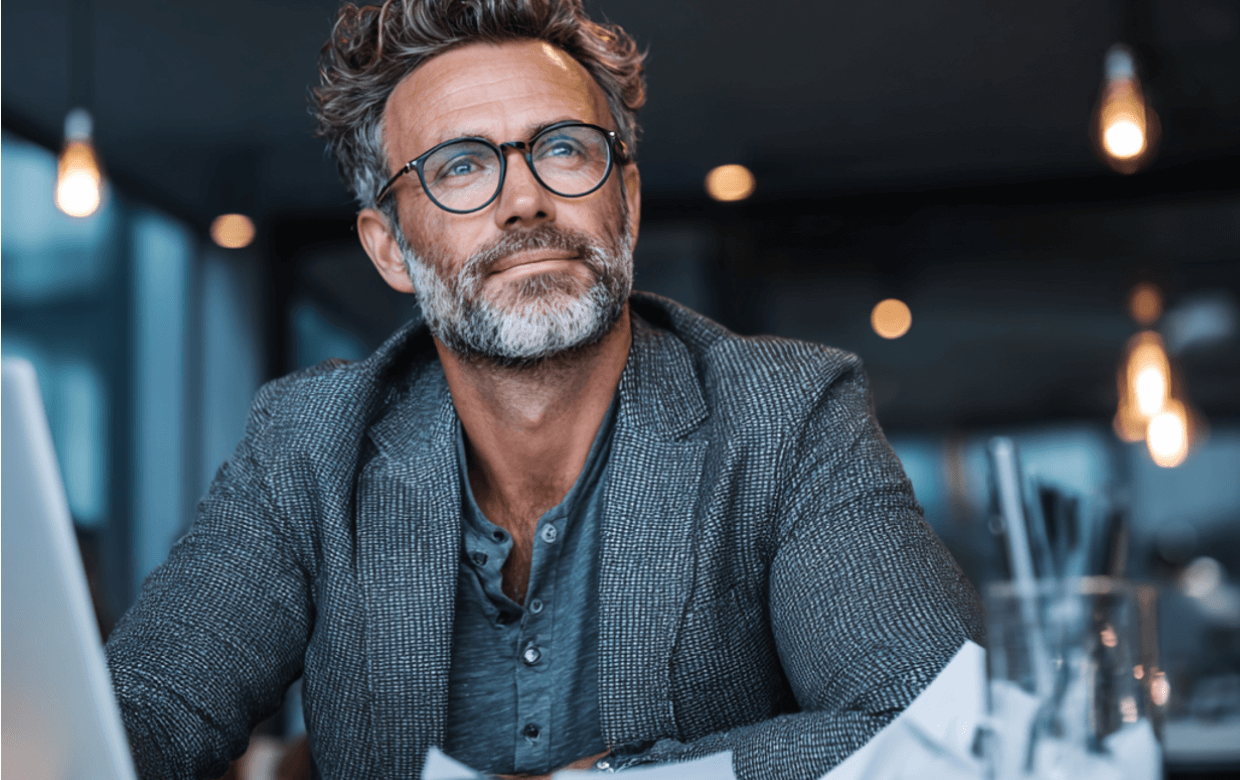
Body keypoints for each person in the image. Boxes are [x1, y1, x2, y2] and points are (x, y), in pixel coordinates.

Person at [105, 1, 985, 778]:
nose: (524, 200)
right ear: (387, 248)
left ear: (627, 203)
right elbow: (137, 717)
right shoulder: (307, 444)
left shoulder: (786, 414)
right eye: (459, 167)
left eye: (563, 149)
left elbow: (944, 732)